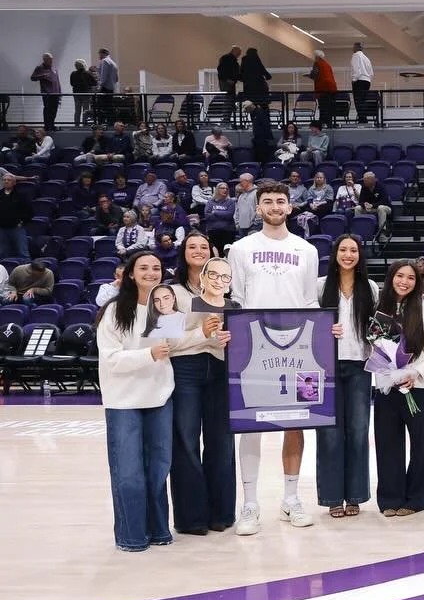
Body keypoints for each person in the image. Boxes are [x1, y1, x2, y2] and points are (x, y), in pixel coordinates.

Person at [228, 180, 320, 536]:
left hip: (298, 347)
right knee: (250, 424)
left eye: (281, 201)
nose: (275, 206)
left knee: (295, 422)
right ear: (258, 208)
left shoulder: (307, 249)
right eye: (268, 201)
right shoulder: (241, 248)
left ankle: (291, 498)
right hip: (254, 345)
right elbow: (236, 298)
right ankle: (249, 504)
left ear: (290, 207)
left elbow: (310, 301)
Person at [97, 250, 184, 553]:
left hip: (159, 397)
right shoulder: (114, 311)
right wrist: (147, 354)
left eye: (157, 268)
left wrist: (209, 333)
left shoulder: (166, 307)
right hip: (124, 401)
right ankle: (132, 536)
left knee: (159, 468)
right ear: (131, 274)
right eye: (143, 268)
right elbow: (110, 360)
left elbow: (174, 346)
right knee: (129, 471)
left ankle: (159, 531)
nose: (151, 273)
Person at [168, 235, 238, 535]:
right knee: (185, 442)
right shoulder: (170, 292)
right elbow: (166, 341)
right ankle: (191, 518)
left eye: (202, 247)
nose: (197, 251)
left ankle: (221, 514)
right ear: (183, 254)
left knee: (221, 442)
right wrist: (201, 334)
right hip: (186, 368)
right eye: (191, 247)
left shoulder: (230, 295)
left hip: (222, 368)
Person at [314, 234, 379, 517]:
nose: (348, 254)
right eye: (343, 249)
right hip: (324, 367)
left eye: (354, 250)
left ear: (359, 255)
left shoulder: (371, 288)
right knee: (329, 433)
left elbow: (380, 328)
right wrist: (322, 330)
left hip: (359, 366)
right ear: (335, 254)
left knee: (357, 431)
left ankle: (355, 495)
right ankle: (331, 497)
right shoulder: (319, 287)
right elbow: (308, 325)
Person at [370, 260, 424, 516]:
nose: (404, 282)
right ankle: (390, 498)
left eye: (410, 278)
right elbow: (373, 348)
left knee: (421, 444)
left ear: (417, 281)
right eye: (400, 276)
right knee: (388, 443)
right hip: (387, 386)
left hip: (417, 385)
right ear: (391, 278)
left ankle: (417, 498)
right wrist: (390, 374)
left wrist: (413, 373)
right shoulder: (378, 308)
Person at [0, 173, 33, 261]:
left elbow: (29, 211)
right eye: (4, 180)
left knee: (23, 253)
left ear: (14, 183)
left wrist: (22, 222)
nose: (6, 181)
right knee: (2, 253)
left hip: (17, 228)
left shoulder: (20, 196)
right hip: (1, 228)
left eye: (9, 180)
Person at [306, 49, 338, 127]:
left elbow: (315, 74)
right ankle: (329, 123)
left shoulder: (317, 63)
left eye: (314, 56)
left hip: (323, 87)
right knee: (329, 106)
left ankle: (322, 123)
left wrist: (309, 75)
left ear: (317, 57)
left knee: (323, 106)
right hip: (332, 88)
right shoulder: (327, 64)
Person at [351, 42, 375, 124]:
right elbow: (371, 73)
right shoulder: (366, 58)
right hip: (367, 81)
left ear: (357, 47)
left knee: (358, 101)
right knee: (363, 100)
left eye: (353, 47)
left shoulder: (356, 55)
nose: (352, 48)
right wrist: (368, 78)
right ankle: (363, 118)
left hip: (359, 80)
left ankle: (362, 119)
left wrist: (354, 79)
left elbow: (356, 69)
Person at [71, 58, 98, 127]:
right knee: (85, 111)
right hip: (85, 94)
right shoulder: (87, 73)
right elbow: (95, 83)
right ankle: (84, 125)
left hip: (76, 94)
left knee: (77, 111)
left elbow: (72, 83)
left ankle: (76, 125)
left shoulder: (73, 74)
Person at [217, 46, 242, 113]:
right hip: (227, 82)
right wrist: (228, 79)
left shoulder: (226, 58)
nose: (239, 55)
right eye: (238, 53)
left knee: (229, 100)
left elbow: (220, 70)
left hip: (228, 82)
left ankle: (227, 118)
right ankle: (226, 118)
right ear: (234, 51)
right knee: (229, 100)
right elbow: (221, 70)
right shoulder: (228, 59)